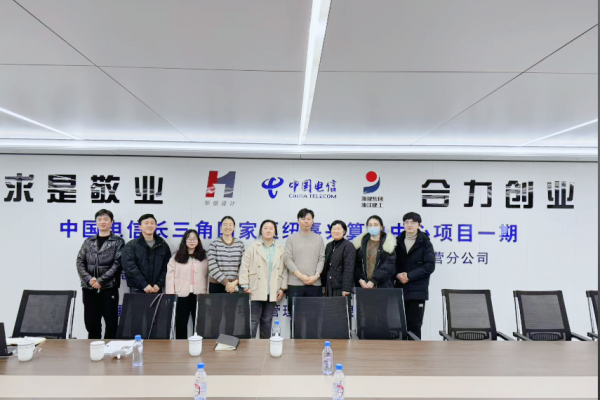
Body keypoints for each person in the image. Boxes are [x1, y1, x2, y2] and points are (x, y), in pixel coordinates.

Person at [76, 209, 125, 339]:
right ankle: (94, 347)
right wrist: (89, 280)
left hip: (109, 288)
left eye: (106, 219)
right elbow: (80, 261)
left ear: (111, 222)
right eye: (99, 219)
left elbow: (117, 264)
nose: (102, 222)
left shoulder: (118, 242)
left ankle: (110, 348)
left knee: (111, 322)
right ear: (96, 222)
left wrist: (101, 281)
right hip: (89, 288)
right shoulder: (88, 241)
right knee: (91, 322)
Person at [239, 220, 287, 338]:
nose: (268, 230)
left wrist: (282, 288)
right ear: (261, 230)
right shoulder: (253, 247)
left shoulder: (280, 249)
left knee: (267, 320)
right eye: (265, 228)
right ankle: (248, 346)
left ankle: (265, 346)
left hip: (273, 290)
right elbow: (244, 266)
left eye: (271, 228)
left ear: (275, 232)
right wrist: (245, 286)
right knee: (253, 320)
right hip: (255, 289)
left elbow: (285, 270)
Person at [395, 212, 435, 339]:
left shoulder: (425, 242)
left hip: (417, 291)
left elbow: (429, 266)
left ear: (419, 225)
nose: (409, 225)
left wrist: (409, 276)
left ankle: (414, 352)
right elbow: (391, 263)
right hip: (399, 290)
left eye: (413, 222)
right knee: (398, 326)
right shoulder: (397, 241)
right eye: (406, 222)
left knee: (414, 327)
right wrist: (397, 275)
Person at [166, 229, 208, 339]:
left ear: (198, 241)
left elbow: (208, 277)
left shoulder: (204, 257)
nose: (192, 241)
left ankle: (199, 346)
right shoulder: (176, 257)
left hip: (200, 296)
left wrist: (207, 294)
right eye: (189, 239)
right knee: (180, 324)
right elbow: (170, 277)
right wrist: (171, 295)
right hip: (181, 295)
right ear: (184, 240)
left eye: (194, 239)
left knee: (199, 326)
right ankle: (181, 348)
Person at [283, 208, 325, 316]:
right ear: (298, 221)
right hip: (295, 284)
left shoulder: (318, 239)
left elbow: (321, 259)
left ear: (312, 221)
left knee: (314, 316)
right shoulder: (291, 239)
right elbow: (287, 259)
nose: (306, 221)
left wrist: (315, 276)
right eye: (303, 219)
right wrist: (301, 276)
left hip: (315, 284)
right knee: (295, 316)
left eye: (308, 219)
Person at [122, 214, 170, 294]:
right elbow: (129, 268)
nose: (149, 225)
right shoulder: (131, 245)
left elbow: (167, 267)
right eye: (146, 223)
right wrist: (144, 285)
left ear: (156, 226)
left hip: (156, 289)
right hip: (137, 290)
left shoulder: (163, 245)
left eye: (152, 223)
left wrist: (159, 284)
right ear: (140, 227)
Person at [353, 215, 396, 289]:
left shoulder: (388, 243)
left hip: (383, 285)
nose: (372, 227)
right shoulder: (360, 243)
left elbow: (389, 265)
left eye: (375, 225)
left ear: (381, 227)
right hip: (364, 285)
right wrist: (360, 279)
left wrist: (373, 280)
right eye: (370, 225)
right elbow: (357, 264)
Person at [207, 216, 245, 294]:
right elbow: (212, 266)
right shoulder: (214, 244)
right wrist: (227, 283)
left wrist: (235, 282)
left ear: (234, 228)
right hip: (216, 285)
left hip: (235, 286)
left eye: (230, 225)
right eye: (225, 225)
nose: (228, 227)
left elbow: (244, 265)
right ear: (221, 228)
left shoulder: (240, 244)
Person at [322, 220, 355, 297]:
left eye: (339, 229)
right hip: (328, 283)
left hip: (341, 285)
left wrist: (346, 288)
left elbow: (349, 268)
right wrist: (323, 285)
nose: (336, 231)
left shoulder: (348, 246)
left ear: (344, 231)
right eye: (333, 229)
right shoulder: (329, 246)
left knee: (339, 304)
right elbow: (326, 267)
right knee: (328, 304)